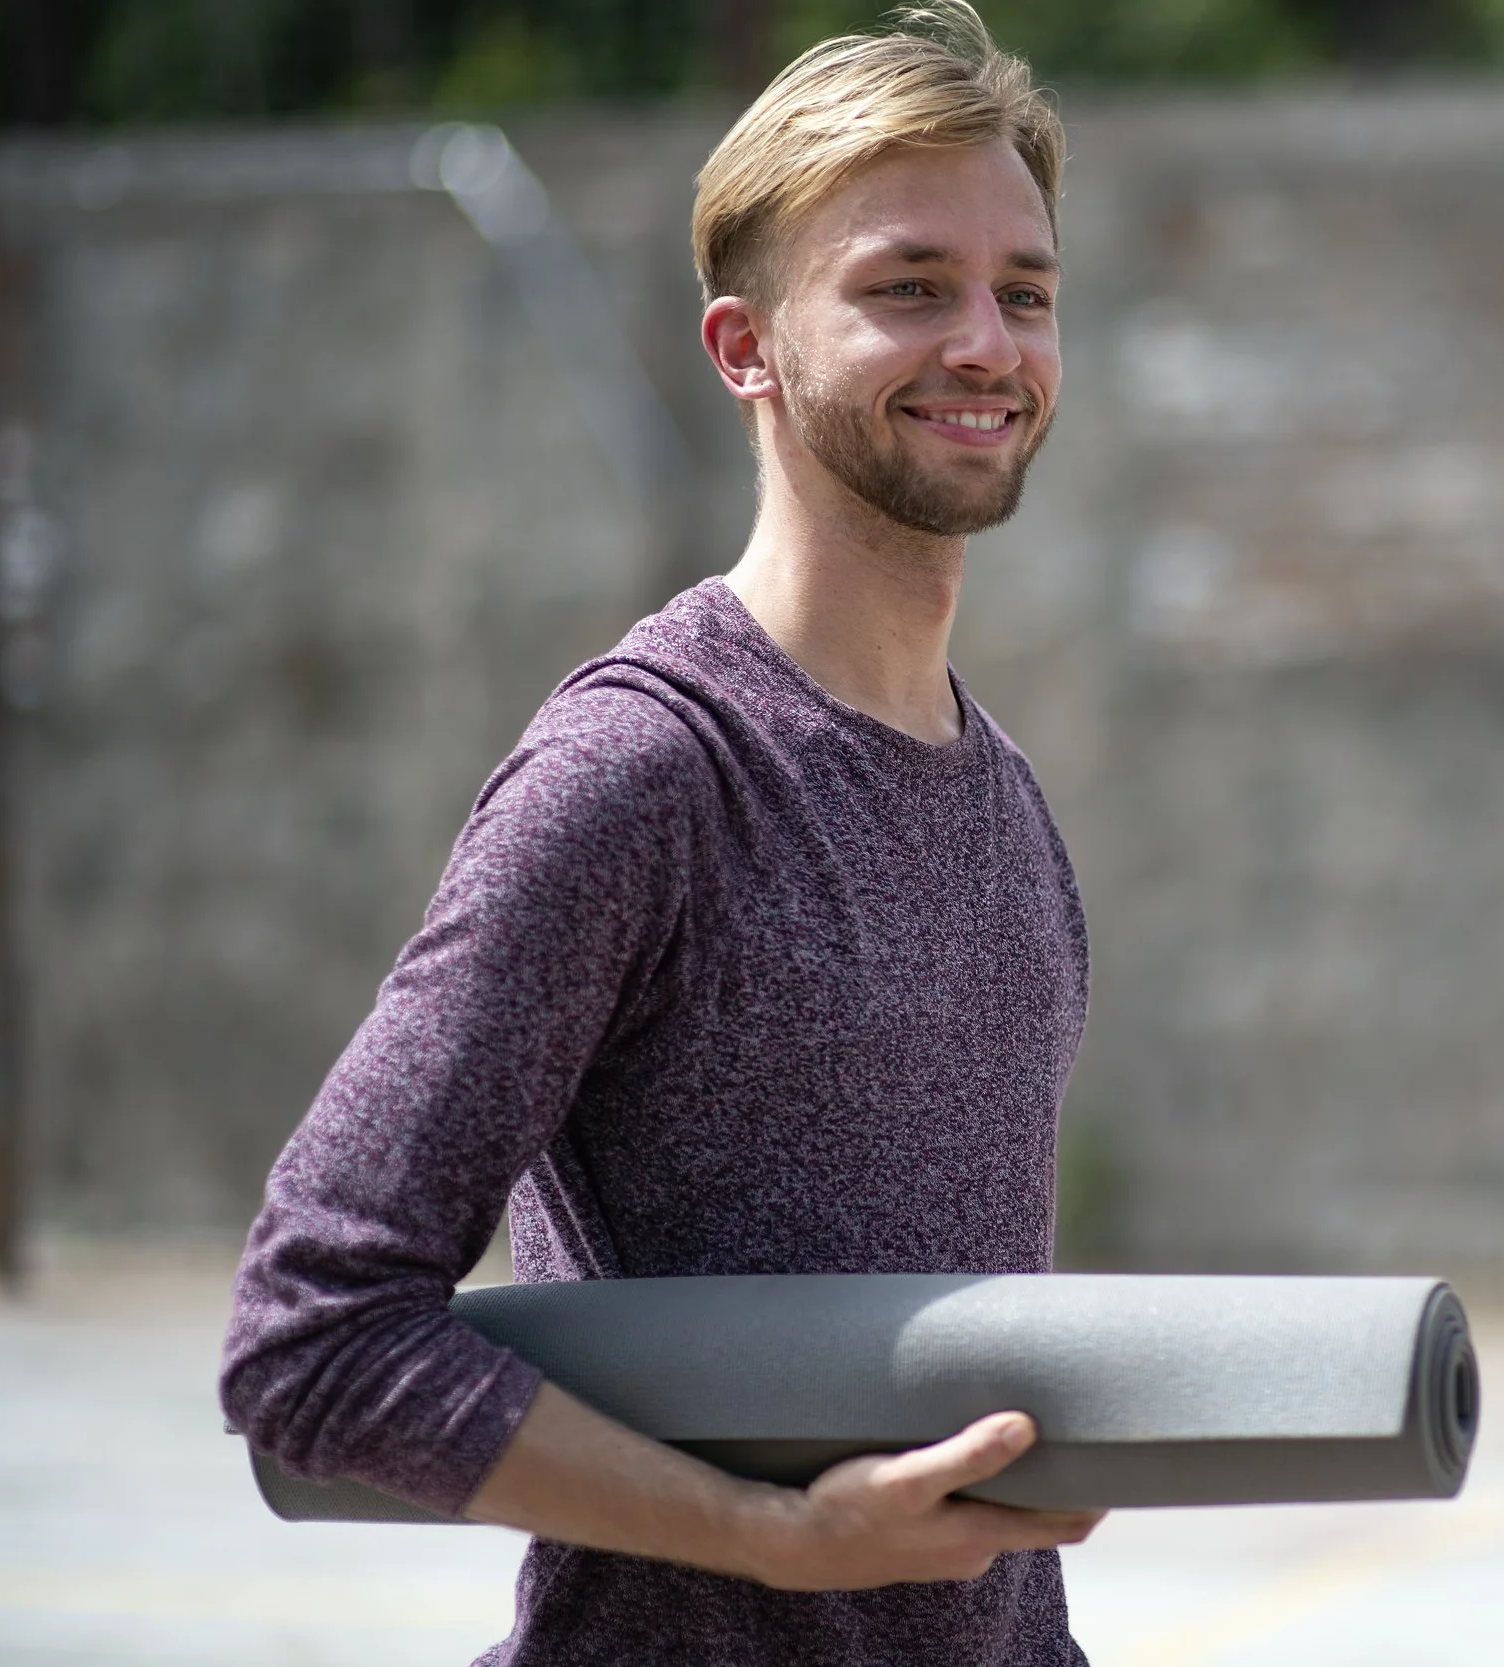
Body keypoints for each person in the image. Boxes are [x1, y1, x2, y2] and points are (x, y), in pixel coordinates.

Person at [218, 7, 1103, 1662]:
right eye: (908, 285)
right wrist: (771, 1539)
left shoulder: (1008, 801)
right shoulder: (644, 773)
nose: (987, 339)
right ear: (744, 345)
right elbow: (307, 1334)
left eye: (1026, 292)